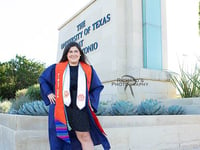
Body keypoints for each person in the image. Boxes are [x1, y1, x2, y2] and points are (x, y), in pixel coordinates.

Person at [39, 41, 111, 150]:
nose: (73, 54)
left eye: (76, 51)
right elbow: (43, 79)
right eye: (70, 52)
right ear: (66, 54)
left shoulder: (88, 69)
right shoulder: (56, 68)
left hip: (80, 108)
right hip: (61, 108)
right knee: (61, 139)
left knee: (85, 136)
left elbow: (97, 87)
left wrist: (91, 101)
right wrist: (48, 93)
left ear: (80, 54)